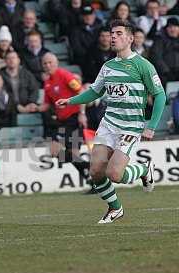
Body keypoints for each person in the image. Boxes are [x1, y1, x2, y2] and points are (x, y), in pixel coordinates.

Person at [56, 20, 166, 223]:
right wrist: (70, 100)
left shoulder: (143, 65)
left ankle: (143, 169)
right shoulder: (108, 66)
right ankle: (115, 208)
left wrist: (150, 126)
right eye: (111, 33)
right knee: (96, 171)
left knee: (114, 174)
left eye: (118, 33)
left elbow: (160, 96)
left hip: (131, 127)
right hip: (109, 125)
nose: (113, 36)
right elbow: (95, 92)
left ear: (130, 38)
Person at [40, 52, 91, 187]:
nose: (47, 65)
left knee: (62, 152)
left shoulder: (64, 75)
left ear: (56, 63)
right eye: (45, 63)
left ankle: (93, 179)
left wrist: (82, 113)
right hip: (62, 121)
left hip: (74, 118)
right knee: (68, 154)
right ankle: (91, 170)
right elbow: (46, 104)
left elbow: (81, 92)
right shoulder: (47, 83)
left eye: (50, 62)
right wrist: (34, 107)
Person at [69, 6, 103, 74]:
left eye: (90, 14)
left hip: (100, 57)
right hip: (85, 61)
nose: (88, 17)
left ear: (94, 15)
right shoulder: (76, 31)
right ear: (82, 17)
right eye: (85, 15)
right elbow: (77, 49)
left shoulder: (101, 27)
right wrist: (91, 56)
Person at [149, 17, 179, 86]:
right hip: (164, 75)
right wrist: (166, 71)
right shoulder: (160, 40)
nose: (173, 29)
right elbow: (156, 57)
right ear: (166, 29)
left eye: (175, 27)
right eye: (170, 27)